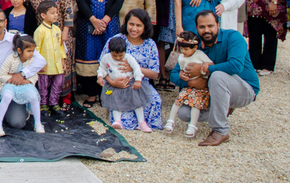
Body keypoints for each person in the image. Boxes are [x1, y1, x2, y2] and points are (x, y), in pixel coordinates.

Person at [170, 11, 259, 146]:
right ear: (196, 28)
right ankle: (223, 107)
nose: (206, 30)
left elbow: (236, 66)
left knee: (217, 76)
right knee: (184, 113)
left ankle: (220, 130)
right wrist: (188, 81)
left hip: (244, 88)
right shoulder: (195, 45)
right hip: (211, 90)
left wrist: (205, 68)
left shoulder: (233, 37)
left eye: (210, 26)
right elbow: (174, 73)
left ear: (218, 25)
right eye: (202, 27)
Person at [75, 0, 125, 107]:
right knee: (88, 56)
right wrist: (93, 20)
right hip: (87, 23)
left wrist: (104, 20)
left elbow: (119, 0)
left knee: (110, 55)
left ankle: (108, 93)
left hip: (109, 24)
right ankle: (91, 94)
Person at [98, 9, 161, 130]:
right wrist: (112, 82)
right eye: (131, 24)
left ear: (145, 27)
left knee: (155, 101)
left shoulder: (150, 44)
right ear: (126, 24)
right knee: (124, 116)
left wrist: (135, 69)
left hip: (140, 84)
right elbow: (102, 64)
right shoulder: (116, 40)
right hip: (117, 84)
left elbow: (154, 74)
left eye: (139, 25)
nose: (134, 29)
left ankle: (143, 123)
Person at [0, 34, 45, 137]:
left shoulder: (32, 60)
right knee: (7, 96)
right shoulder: (11, 58)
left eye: (33, 51)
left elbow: (34, 76)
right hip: (9, 84)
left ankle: (38, 123)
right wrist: (13, 79)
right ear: (20, 50)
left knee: (34, 96)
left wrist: (25, 81)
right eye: (29, 51)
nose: (32, 54)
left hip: (25, 85)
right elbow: (2, 75)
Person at [98, 36, 151, 132]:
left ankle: (141, 122)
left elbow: (137, 69)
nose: (118, 58)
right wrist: (100, 77)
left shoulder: (128, 57)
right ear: (110, 51)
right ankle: (117, 121)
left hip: (129, 83)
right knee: (115, 101)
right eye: (115, 56)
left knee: (137, 101)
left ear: (125, 51)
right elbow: (102, 68)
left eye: (120, 55)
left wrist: (138, 80)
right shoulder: (106, 58)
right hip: (114, 84)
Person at [164, 31, 212, 137]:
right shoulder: (181, 57)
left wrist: (203, 68)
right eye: (181, 49)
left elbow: (210, 63)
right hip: (188, 85)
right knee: (178, 101)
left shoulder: (200, 55)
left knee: (196, 104)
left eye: (186, 49)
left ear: (195, 47)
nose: (183, 51)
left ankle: (192, 126)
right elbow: (180, 70)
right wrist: (182, 76)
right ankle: (170, 121)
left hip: (200, 88)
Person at [33, 0, 67, 114]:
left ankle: (54, 103)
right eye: (52, 13)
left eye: (56, 12)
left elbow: (61, 46)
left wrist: (62, 60)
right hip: (45, 65)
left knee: (57, 84)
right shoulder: (39, 31)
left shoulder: (57, 29)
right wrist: (39, 64)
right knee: (43, 85)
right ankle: (43, 104)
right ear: (43, 15)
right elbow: (36, 49)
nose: (56, 15)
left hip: (57, 64)